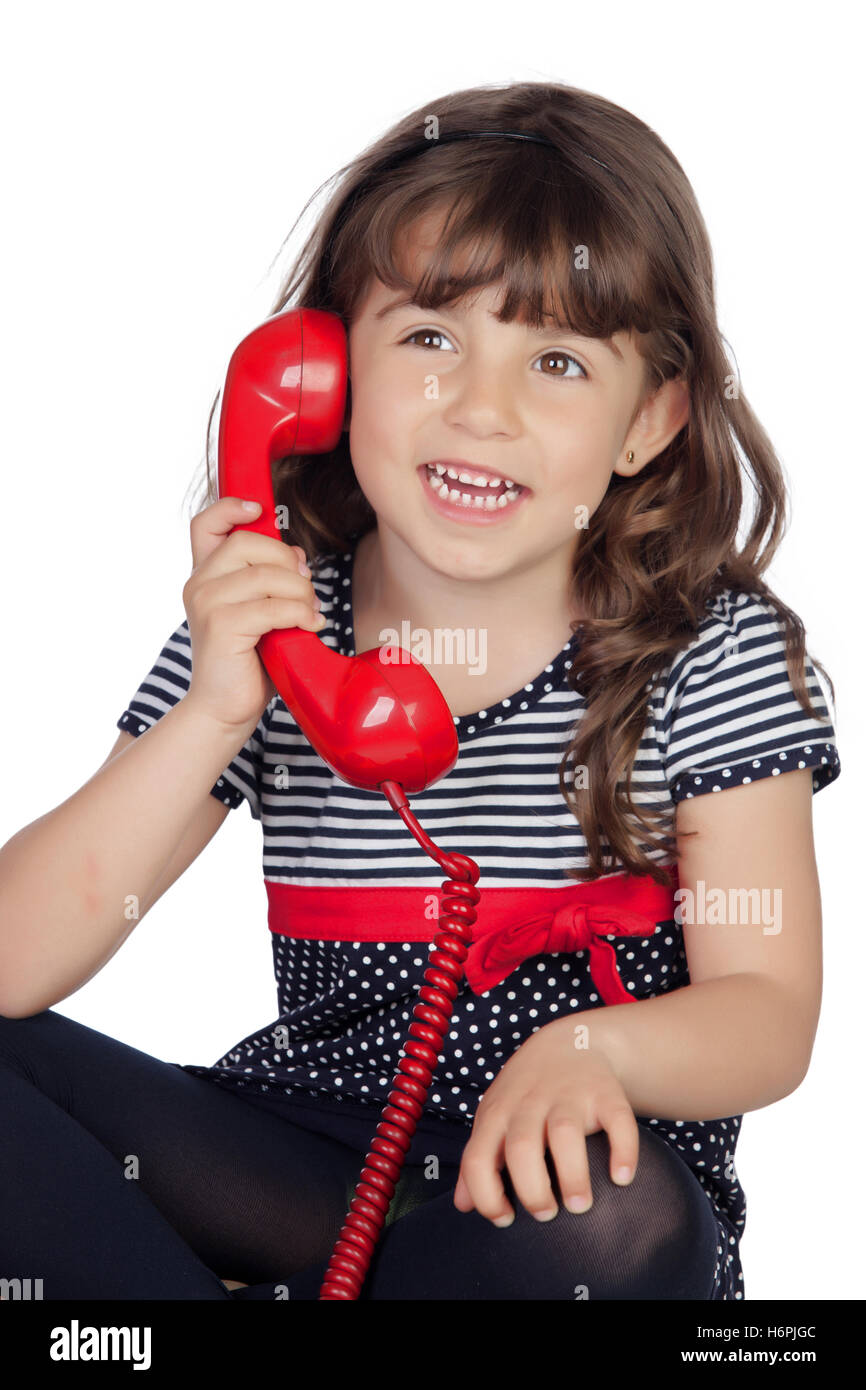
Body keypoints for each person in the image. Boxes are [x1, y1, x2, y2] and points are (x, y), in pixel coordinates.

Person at [0, 81, 840, 1302]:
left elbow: (767, 1012)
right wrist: (216, 711)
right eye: (430, 338)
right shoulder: (278, 618)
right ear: (324, 373)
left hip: (549, 1202)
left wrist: (589, 1046)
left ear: (647, 420)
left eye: (554, 360)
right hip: (298, 1172)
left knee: (610, 1224)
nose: (481, 410)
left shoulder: (704, 655)